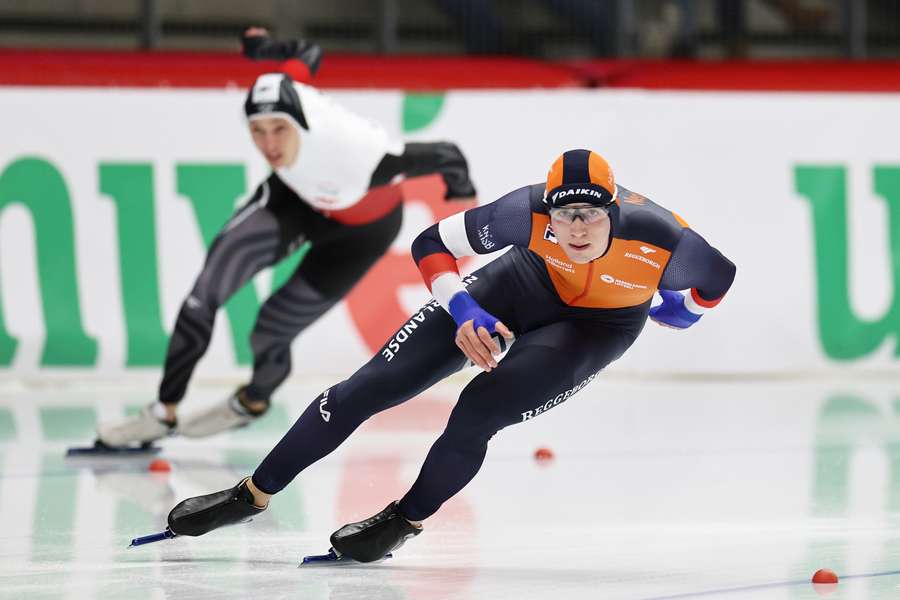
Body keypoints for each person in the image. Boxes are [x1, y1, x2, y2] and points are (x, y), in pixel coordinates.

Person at [162, 149, 736, 562]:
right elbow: (431, 244)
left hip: (596, 327)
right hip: (518, 285)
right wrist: (463, 309)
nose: (576, 230)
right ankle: (252, 494)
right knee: (366, 389)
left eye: (590, 216)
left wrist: (684, 310)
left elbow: (720, 277)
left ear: (615, 213)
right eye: (564, 216)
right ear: (548, 211)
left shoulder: (665, 241)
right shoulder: (523, 212)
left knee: (477, 411)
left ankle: (404, 518)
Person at [95, 29, 476, 448]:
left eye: (280, 129)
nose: (270, 144)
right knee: (203, 295)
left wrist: (462, 198)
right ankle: (162, 411)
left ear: (300, 124)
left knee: (269, 332)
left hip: (362, 231)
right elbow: (305, 51)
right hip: (296, 200)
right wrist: (264, 48)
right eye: (258, 131)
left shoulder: (362, 154)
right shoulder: (290, 91)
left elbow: (449, 154)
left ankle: (253, 401)